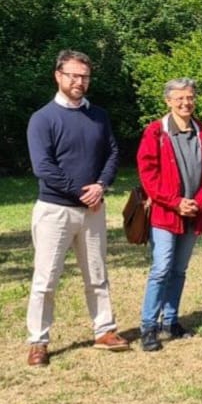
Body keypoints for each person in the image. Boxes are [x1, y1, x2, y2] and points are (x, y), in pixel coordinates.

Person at [25, 49, 129, 367]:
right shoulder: (43, 119)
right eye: (72, 75)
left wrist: (101, 186)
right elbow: (43, 167)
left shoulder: (98, 115)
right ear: (58, 76)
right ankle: (38, 342)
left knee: (97, 275)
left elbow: (112, 152)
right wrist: (80, 193)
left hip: (93, 211)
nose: (79, 81)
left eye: (84, 76)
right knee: (46, 280)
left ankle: (104, 330)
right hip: (55, 211)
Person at [136, 78, 202, 351]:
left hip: (194, 213)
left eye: (190, 97)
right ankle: (148, 326)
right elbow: (148, 174)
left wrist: (199, 202)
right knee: (161, 268)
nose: (186, 103)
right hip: (165, 214)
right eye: (179, 98)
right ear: (168, 101)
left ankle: (171, 321)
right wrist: (175, 202)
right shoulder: (155, 132)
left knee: (179, 270)